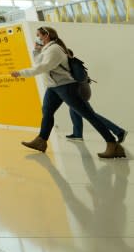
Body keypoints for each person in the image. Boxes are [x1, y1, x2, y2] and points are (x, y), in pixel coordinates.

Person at [12, 26, 124, 158]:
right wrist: (36, 50)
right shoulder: (46, 49)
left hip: (66, 87)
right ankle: (41, 141)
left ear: (46, 35)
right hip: (53, 87)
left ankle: (113, 144)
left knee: (88, 115)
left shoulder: (54, 49)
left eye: (38, 35)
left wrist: (20, 73)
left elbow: (43, 67)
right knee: (47, 112)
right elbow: (39, 63)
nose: (37, 38)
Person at [62, 49, 126, 143]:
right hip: (79, 93)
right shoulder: (75, 64)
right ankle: (77, 134)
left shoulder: (72, 65)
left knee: (92, 115)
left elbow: (76, 79)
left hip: (79, 94)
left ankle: (119, 131)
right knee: (73, 110)